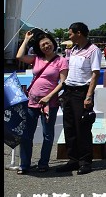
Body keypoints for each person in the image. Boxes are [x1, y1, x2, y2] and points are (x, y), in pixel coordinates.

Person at [15, 30, 69, 174]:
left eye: (48, 43)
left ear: (53, 43)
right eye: (43, 44)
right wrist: (26, 40)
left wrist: (49, 96)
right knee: (27, 134)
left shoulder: (61, 60)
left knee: (47, 134)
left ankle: (43, 163)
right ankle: (24, 164)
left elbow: (63, 83)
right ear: (39, 47)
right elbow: (19, 56)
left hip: (49, 103)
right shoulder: (36, 58)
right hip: (32, 101)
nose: (46, 46)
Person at [57, 22, 101, 175]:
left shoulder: (93, 50)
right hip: (69, 91)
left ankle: (85, 162)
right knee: (69, 127)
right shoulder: (73, 49)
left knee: (82, 128)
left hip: (82, 92)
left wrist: (88, 96)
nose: (69, 36)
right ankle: (73, 159)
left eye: (70, 33)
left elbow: (95, 74)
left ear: (79, 33)